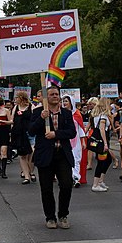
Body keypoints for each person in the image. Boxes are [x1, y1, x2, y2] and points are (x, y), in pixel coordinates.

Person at [29, 85, 76, 230]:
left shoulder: (66, 114)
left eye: (57, 94)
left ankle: (63, 214)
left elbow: (71, 132)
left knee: (67, 185)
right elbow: (31, 131)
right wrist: (41, 119)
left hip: (62, 154)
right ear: (46, 97)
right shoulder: (38, 112)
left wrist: (56, 134)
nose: (55, 96)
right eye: (52, 94)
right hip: (45, 155)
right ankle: (50, 217)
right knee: (46, 188)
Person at [11, 91, 35, 185]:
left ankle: (31, 171)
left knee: (32, 152)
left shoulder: (31, 107)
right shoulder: (15, 108)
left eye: (16, 97)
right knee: (23, 155)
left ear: (21, 97)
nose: (15, 99)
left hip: (30, 133)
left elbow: (34, 119)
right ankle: (27, 176)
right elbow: (12, 120)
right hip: (20, 134)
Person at [89, 98, 113, 191]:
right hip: (102, 141)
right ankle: (96, 184)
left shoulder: (96, 115)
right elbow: (102, 130)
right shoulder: (103, 117)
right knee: (102, 161)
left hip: (97, 140)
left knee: (107, 160)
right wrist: (105, 143)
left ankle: (100, 181)